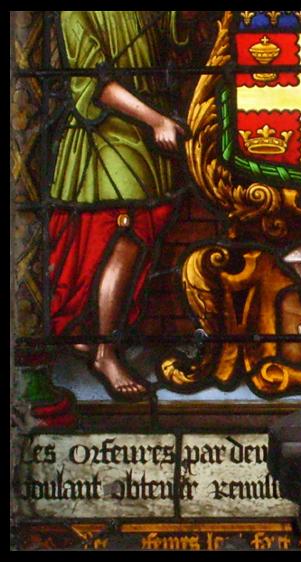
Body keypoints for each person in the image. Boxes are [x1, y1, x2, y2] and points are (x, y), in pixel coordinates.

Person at [48, 11, 193, 399]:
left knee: (138, 232)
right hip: (105, 134)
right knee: (123, 233)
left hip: (144, 133)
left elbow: (176, 44)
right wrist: (154, 119)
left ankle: (91, 330)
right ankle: (106, 352)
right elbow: (95, 84)